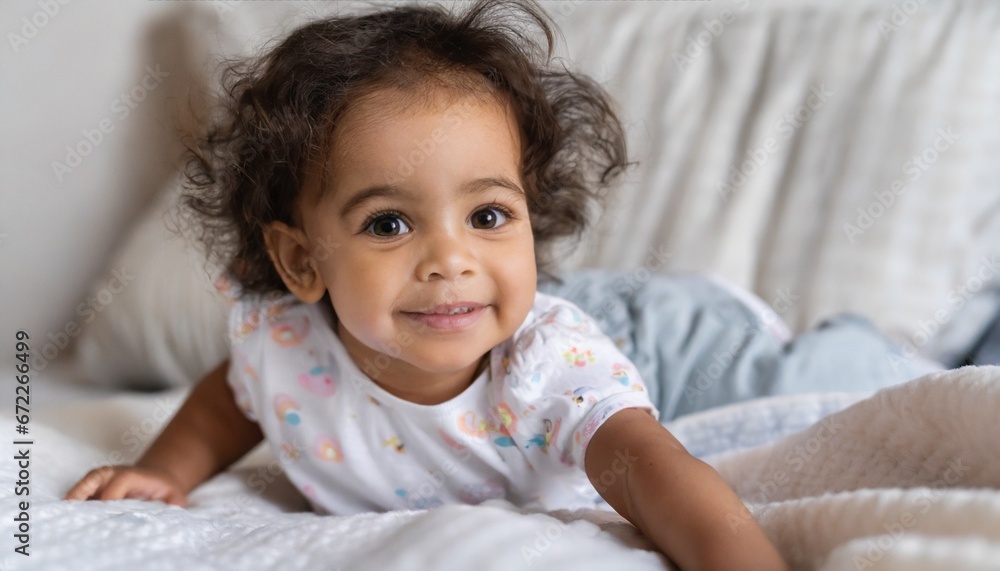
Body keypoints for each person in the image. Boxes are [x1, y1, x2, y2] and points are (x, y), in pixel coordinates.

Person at [65, 1, 788, 568]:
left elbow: (656, 474)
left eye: (488, 214)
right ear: (300, 262)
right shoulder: (286, 342)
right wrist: (164, 469)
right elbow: (232, 398)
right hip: (513, 315)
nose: (450, 258)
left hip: (670, 334)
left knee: (795, 373)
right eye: (388, 224)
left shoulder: (549, 372)